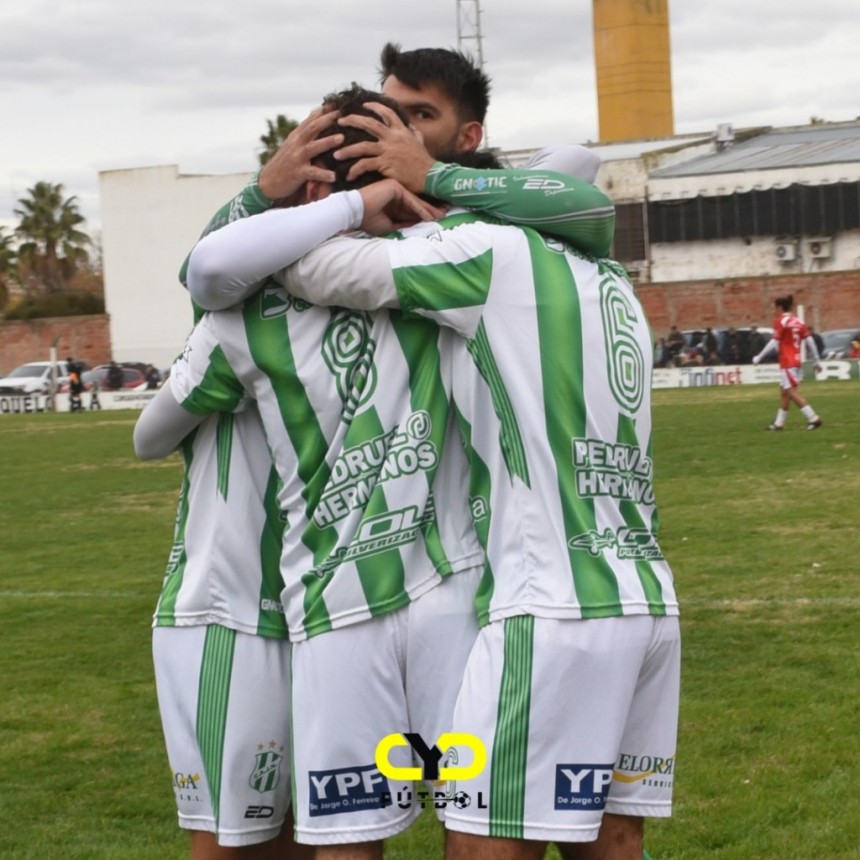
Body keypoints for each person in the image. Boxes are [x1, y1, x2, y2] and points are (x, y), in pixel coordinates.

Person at [139, 82, 614, 859]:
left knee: (354, 834)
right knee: (540, 825)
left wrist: (344, 196)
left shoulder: (408, 261)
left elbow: (201, 297)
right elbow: (580, 178)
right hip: (424, 600)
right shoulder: (445, 255)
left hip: (343, 607)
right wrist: (421, 181)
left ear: (313, 183)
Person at [275, 152, 680, 860]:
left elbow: (309, 269)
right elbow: (576, 164)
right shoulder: (606, 274)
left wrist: (329, 205)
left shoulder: (487, 251)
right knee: (613, 841)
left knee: (478, 843)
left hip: (549, 606)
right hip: (644, 600)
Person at [135, 108, 348, 860]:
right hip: (227, 605)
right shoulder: (234, 311)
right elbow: (146, 437)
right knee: (232, 844)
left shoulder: (372, 297)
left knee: (296, 834)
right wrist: (257, 195)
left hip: (315, 612)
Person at [752, 295, 822, 430]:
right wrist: (816, 360)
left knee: (790, 392)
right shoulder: (799, 322)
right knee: (784, 392)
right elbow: (810, 341)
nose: (774, 311)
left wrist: (759, 356)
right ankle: (779, 423)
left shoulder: (781, 321)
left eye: (775, 308)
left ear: (779, 308)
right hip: (796, 361)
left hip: (787, 362)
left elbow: (774, 341)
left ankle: (813, 418)